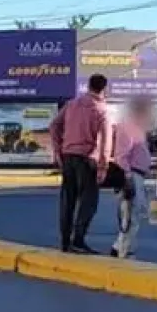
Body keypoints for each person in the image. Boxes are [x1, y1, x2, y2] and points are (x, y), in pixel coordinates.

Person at [50, 74, 113, 254]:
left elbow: (54, 125)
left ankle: (65, 241)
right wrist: (103, 167)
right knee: (88, 202)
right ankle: (78, 239)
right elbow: (106, 141)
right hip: (87, 159)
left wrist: (58, 149)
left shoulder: (71, 104)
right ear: (104, 89)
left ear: (88, 86)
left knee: (67, 201)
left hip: (68, 157)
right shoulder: (102, 110)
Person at [111, 96, 153, 259]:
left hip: (137, 175)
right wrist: (128, 177)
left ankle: (120, 247)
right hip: (132, 176)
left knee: (134, 215)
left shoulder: (137, 128)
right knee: (131, 216)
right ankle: (124, 251)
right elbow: (121, 156)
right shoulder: (128, 127)